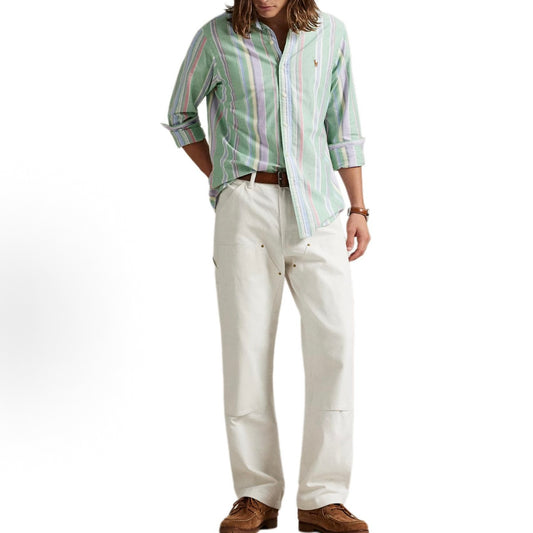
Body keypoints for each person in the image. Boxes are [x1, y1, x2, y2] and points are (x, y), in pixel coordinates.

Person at [161, 1, 371, 532]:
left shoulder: (331, 35)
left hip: (318, 207)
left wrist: (359, 207)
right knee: (246, 348)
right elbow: (180, 114)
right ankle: (256, 495)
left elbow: (343, 125)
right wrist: (223, 178)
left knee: (335, 346)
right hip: (247, 205)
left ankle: (323, 498)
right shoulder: (215, 37)